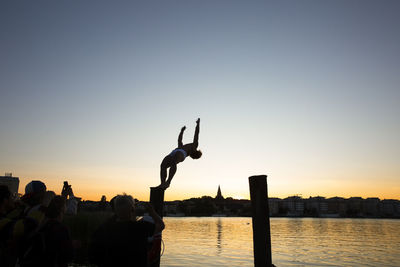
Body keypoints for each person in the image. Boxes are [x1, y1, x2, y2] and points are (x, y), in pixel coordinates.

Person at [90, 194, 165, 267]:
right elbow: (161, 225)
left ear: (115, 210)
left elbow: (94, 252)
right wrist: (152, 212)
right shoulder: (141, 227)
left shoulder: (105, 228)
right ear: (132, 209)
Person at [17, 195, 74, 267]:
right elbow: (68, 256)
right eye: (65, 205)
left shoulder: (40, 224)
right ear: (62, 208)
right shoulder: (61, 229)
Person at [159, 118, 202, 189]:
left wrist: (198, 124)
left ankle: (168, 182)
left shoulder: (194, 146)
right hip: (174, 151)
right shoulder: (182, 146)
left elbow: (196, 134)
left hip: (181, 153)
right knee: (163, 165)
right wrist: (182, 131)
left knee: (173, 162)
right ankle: (162, 183)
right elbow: (179, 140)